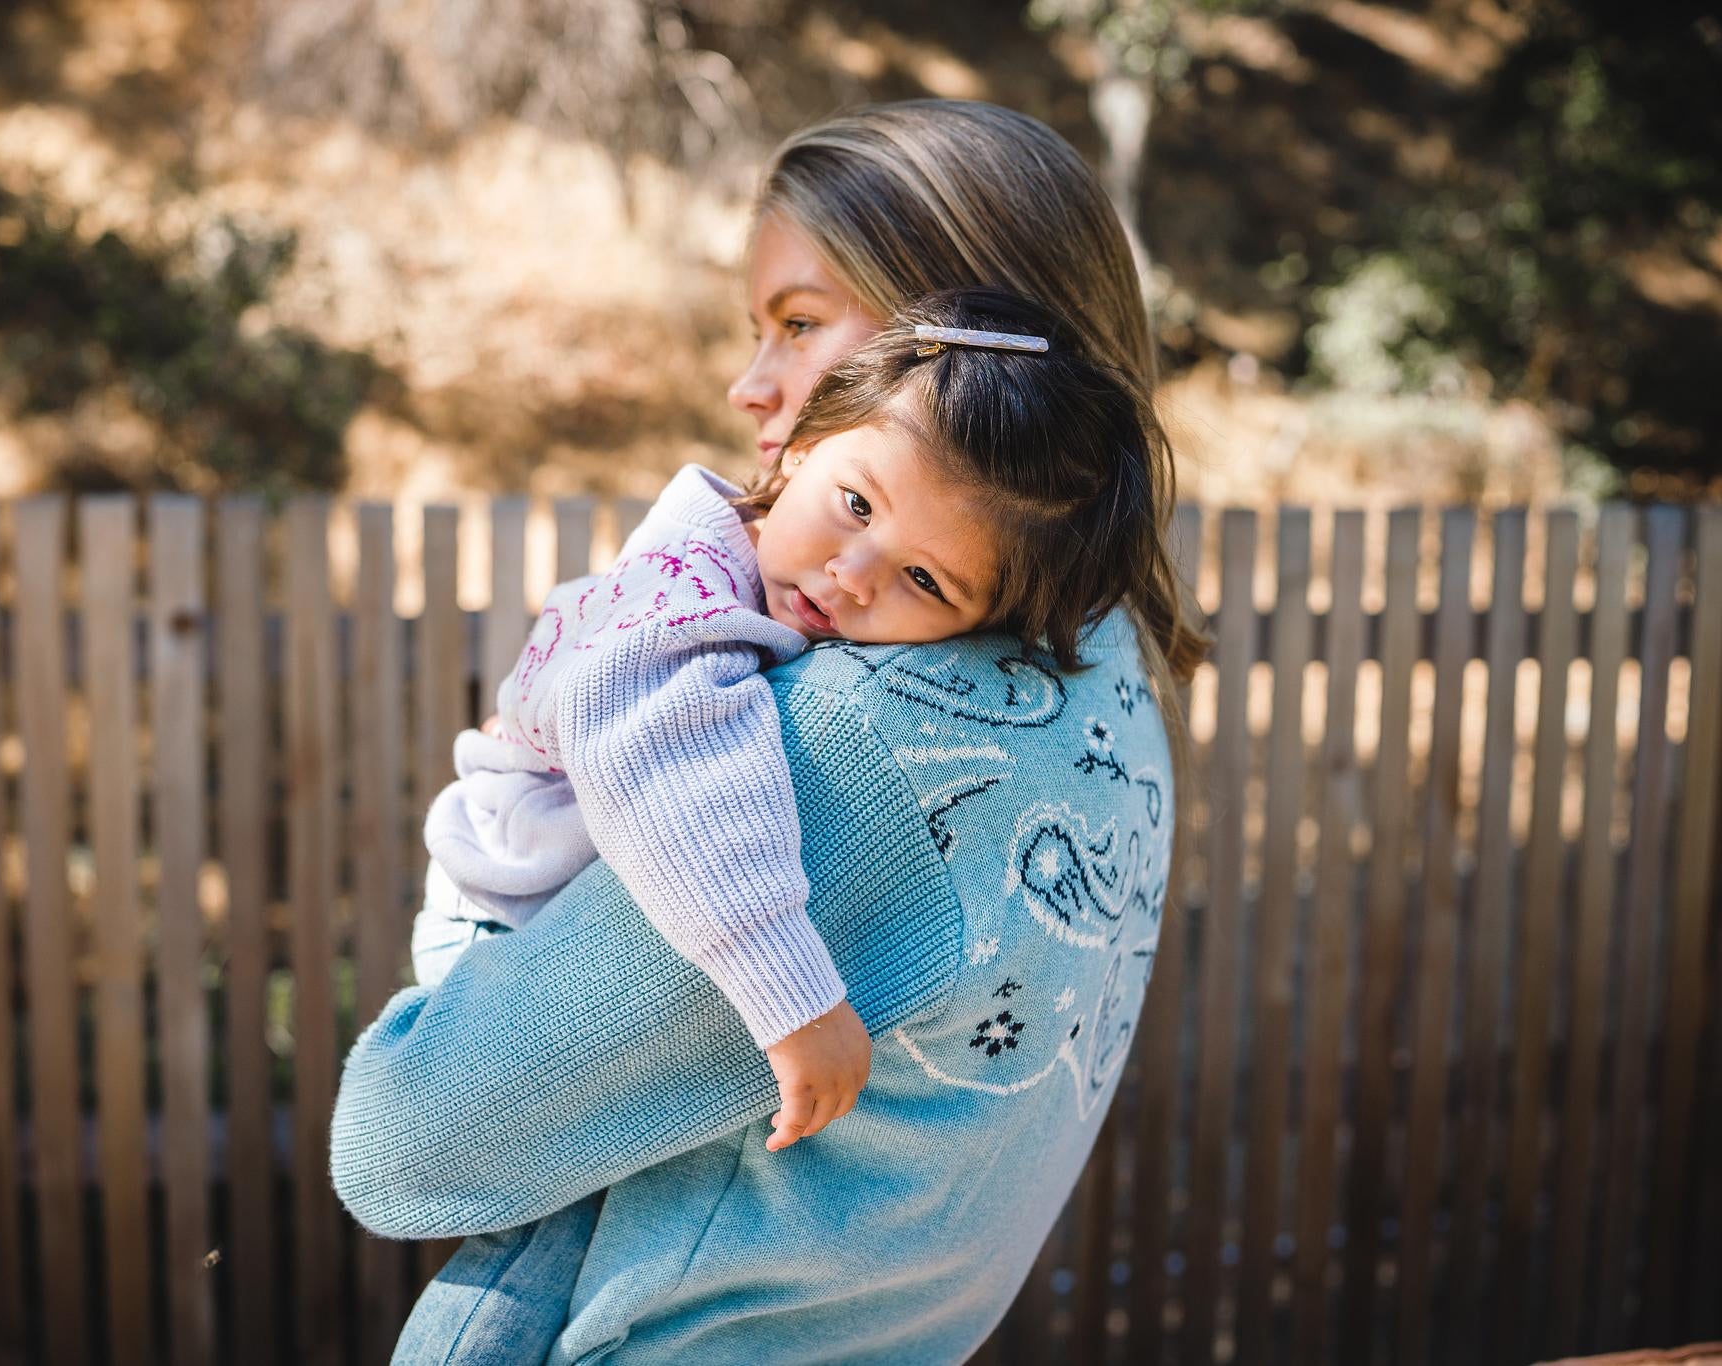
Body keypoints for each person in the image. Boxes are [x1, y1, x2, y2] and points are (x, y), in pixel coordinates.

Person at [333, 99, 1209, 1365]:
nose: (750, 387)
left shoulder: (868, 745)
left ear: (971, 351)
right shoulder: (1104, 659)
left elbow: (403, 1146)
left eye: (798, 325)